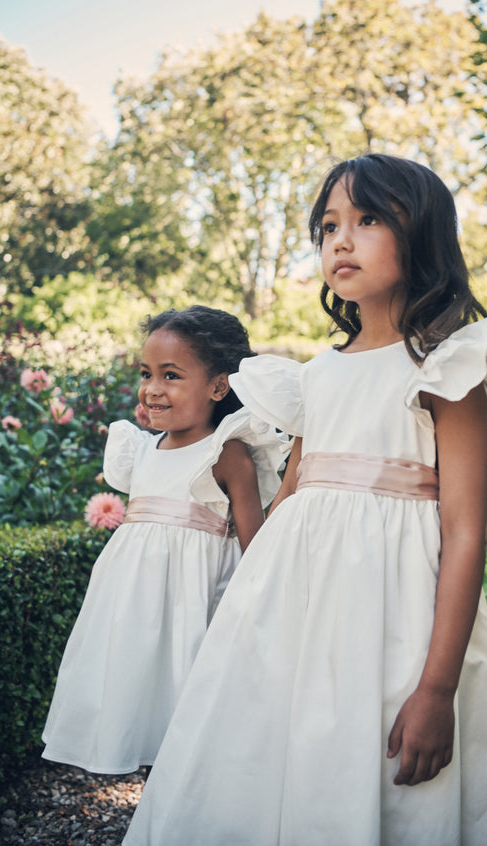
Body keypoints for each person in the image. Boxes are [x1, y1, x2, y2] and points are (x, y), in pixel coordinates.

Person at [122, 155, 487, 845]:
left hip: (393, 623)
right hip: (291, 619)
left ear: (421, 235)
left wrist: (435, 690)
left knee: (376, 775)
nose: (341, 239)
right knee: (263, 764)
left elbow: (463, 532)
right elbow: (289, 504)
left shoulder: (446, 368)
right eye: (329, 224)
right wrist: (238, 621)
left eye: (368, 219)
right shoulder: (313, 376)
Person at [42, 305, 286, 775]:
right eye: (146, 373)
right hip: (133, 602)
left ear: (218, 386)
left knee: (190, 700)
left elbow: (256, 545)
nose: (152, 388)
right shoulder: (142, 449)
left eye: (171, 375)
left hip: (193, 602)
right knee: (136, 687)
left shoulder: (226, 452)